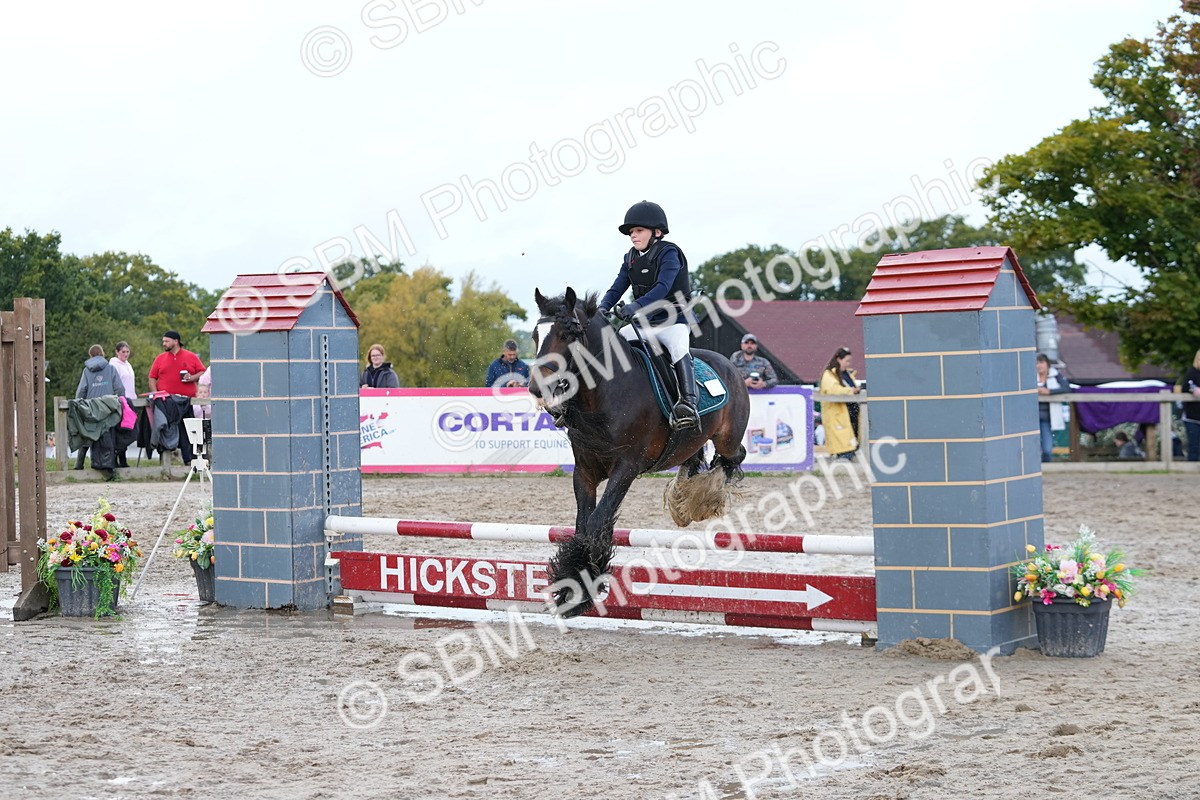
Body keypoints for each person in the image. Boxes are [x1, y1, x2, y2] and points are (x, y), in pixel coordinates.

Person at [598, 200, 699, 430]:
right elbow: (617, 288)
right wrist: (602, 307)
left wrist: (636, 306)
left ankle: (688, 404)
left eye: (638, 230)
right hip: (644, 324)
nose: (633, 236)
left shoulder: (669, 253)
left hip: (674, 321)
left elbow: (663, 287)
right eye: (631, 232)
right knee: (612, 345)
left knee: (678, 349)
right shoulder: (630, 258)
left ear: (657, 232)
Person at [148, 330, 207, 466]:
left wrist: (191, 378)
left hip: (186, 401)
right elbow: (152, 377)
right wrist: (156, 394)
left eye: (166, 341)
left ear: (176, 341)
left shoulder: (191, 356)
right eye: (163, 341)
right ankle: (165, 464)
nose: (164, 343)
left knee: (188, 431)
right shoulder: (160, 358)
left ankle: (190, 461)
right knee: (166, 429)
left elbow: (202, 371)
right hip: (167, 402)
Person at [74, 344, 125, 479]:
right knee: (108, 436)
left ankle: (79, 464)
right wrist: (118, 401)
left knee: (87, 435)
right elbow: (119, 388)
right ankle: (109, 465)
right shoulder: (111, 369)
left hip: (91, 408)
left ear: (90, 355)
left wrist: (80, 405)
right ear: (102, 354)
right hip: (108, 408)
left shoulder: (86, 371)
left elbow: (81, 390)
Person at [818, 346, 862, 460]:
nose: (848, 364)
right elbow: (833, 390)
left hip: (850, 410)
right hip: (837, 412)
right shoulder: (829, 375)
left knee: (850, 434)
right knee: (840, 434)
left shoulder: (847, 374)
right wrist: (850, 391)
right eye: (846, 361)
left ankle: (849, 453)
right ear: (838, 359)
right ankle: (843, 454)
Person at [1036, 353, 1070, 463]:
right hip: (1031, 418)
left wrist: (1049, 392)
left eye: (1041, 362)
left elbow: (1066, 388)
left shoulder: (1056, 375)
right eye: (1036, 363)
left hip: (1047, 418)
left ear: (1047, 364)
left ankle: (1045, 466)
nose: (1039, 366)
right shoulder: (1029, 376)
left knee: (1047, 449)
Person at [108, 341, 137, 467]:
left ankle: (122, 458)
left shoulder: (128, 364)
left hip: (130, 400)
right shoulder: (114, 365)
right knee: (121, 431)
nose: (126, 354)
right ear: (117, 352)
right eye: (123, 352)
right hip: (120, 401)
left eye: (127, 352)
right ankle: (117, 457)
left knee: (128, 430)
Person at [1183, 348, 1200, 462]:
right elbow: (1186, 386)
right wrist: (1194, 389)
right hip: (1192, 417)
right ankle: (1193, 467)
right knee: (1194, 445)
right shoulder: (1192, 372)